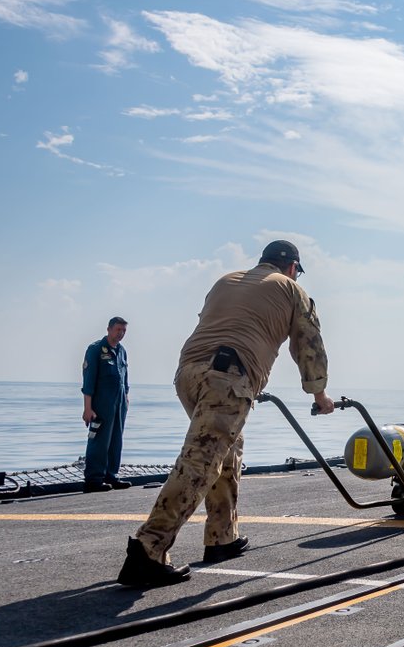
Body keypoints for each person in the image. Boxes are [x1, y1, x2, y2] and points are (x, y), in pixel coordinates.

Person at [117, 240, 334, 588]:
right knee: (201, 463)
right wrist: (320, 396)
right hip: (228, 379)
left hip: (187, 374)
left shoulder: (226, 280)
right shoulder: (293, 290)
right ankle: (148, 549)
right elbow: (309, 346)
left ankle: (222, 538)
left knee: (227, 453)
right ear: (292, 267)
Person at [80, 317, 131, 493]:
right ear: (109, 329)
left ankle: (111, 475)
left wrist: (126, 398)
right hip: (101, 403)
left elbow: (125, 378)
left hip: (119, 404)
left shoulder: (122, 351)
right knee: (99, 440)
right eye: (118, 330)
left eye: (124, 330)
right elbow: (88, 380)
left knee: (116, 440)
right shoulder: (95, 350)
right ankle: (94, 479)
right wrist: (87, 408)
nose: (121, 333)